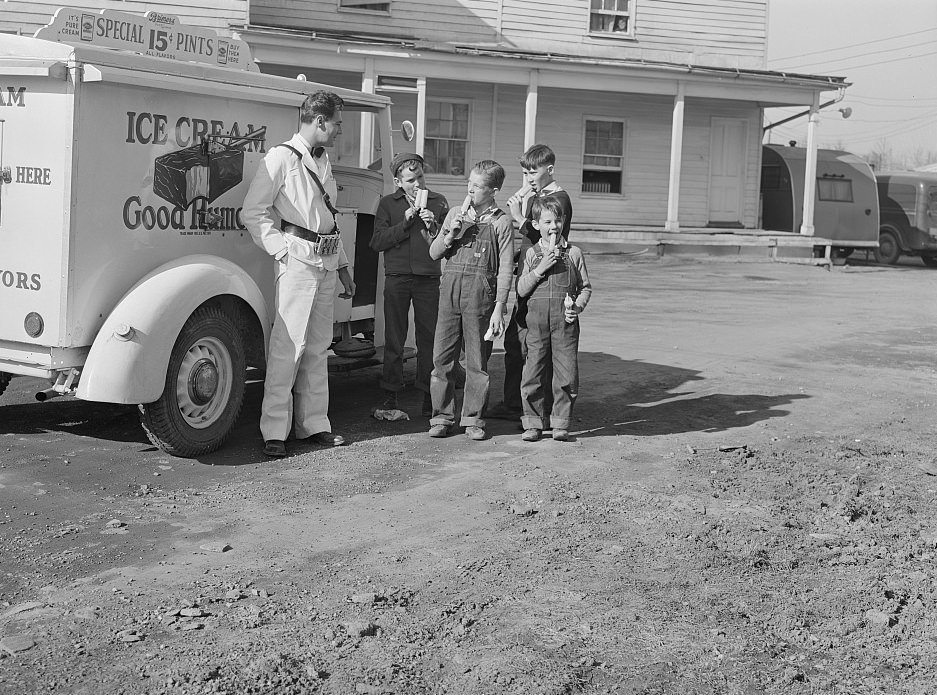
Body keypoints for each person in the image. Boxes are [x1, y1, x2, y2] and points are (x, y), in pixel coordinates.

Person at [241, 91, 355, 458]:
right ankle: (275, 430)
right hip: (297, 261)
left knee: (319, 347)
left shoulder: (324, 161)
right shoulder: (281, 157)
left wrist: (343, 265)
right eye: (336, 122)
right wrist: (281, 249)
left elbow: (328, 219)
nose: (338, 131)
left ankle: (314, 424)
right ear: (319, 121)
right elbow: (253, 212)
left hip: (325, 260)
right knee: (288, 347)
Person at [427, 160, 515, 441]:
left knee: (476, 361)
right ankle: (441, 416)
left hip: (481, 298)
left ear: (494, 191)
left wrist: (500, 306)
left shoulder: (501, 221)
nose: (470, 189)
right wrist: (451, 232)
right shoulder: (455, 213)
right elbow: (433, 253)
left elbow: (505, 267)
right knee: (442, 358)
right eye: (469, 183)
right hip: (449, 294)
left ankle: (473, 419)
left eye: (477, 186)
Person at [488, 144, 573, 422]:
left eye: (533, 172)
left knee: (539, 346)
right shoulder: (536, 196)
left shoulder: (559, 198)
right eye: (525, 173)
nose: (529, 178)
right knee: (516, 342)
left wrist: (520, 219)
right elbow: (528, 244)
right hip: (527, 277)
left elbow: (551, 241)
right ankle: (516, 403)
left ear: (549, 169)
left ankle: (540, 409)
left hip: (545, 281)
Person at [370, 153, 449, 417]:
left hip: (428, 278)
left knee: (429, 339)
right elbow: (377, 242)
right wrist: (404, 224)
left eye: (420, 178)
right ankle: (390, 393)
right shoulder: (387, 204)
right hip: (398, 277)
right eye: (410, 180)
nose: (417, 184)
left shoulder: (438, 202)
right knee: (395, 336)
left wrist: (433, 225)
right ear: (398, 181)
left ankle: (429, 394)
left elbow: (449, 242)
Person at [516, 195, 592, 442]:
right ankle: (533, 423)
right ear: (536, 224)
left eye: (558, 220)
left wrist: (577, 306)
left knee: (566, 374)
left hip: (565, 323)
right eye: (547, 221)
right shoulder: (531, 254)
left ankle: (560, 422)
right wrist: (540, 269)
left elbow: (585, 288)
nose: (554, 226)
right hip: (536, 325)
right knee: (533, 373)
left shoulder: (574, 253)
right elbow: (521, 289)